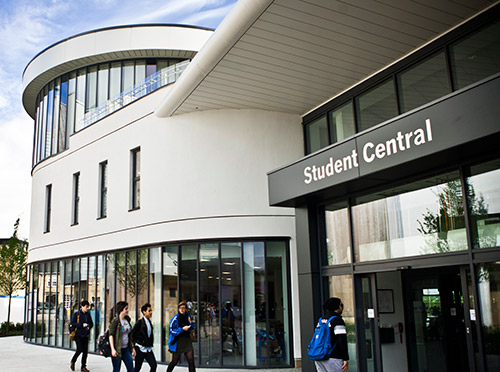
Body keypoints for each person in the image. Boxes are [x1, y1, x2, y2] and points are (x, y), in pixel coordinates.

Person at [315, 297, 349, 372]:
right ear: (337, 306)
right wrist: (345, 358)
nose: (342, 307)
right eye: (341, 305)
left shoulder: (321, 320)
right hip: (333, 357)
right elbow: (341, 340)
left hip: (319, 356)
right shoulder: (337, 321)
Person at [167, 301, 195, 372]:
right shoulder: (175, 318)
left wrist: (191, 323)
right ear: (178, 309)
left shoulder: (188, 317)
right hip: (178, 341)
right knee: (174, 361)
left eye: (183, 308)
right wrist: (182, 329)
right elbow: (171, 330)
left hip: (187, 340)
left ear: (186, 309)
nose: (182, 310)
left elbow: (192, 327)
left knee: (191, 360)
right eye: (180, 308)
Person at [109, 301, 136, 372]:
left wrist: (133, 348)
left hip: (126, 349)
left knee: (131, 368)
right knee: (116, 369)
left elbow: (130, 336)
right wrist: (113, 349)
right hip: (118, 349)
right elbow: (111, 335)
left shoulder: (127, 320)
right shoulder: (116, 321)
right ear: (121, 310)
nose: (128, 310)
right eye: (126, 309)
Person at [131, 303, 157, 372]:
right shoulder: (139, 322)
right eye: (149, 311)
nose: (151, 312)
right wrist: (141, 339)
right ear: (144, 312)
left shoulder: (149, 322)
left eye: (151, 310)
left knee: (154, 365)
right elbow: (133, 334)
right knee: (137, 368)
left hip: (148, 348)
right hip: (140, 348)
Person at [70, 300, 94, 372]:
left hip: (85, 334)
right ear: (82, 307)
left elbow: (91, 323)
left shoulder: (88, 314)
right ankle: (73, 361)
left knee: (85, 352)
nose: (87, 308)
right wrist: (82, 325)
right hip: (78, 334)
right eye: (86, 307)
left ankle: (83, 366)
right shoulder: (76, 314)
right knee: (79, 349)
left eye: (88, 307)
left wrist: (88, 326)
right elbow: (72, 323)